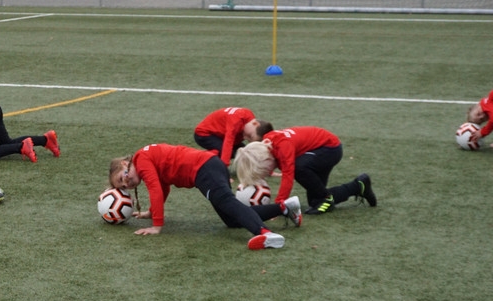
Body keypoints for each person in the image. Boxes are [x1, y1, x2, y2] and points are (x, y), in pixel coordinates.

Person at [108, 144, 302, 250]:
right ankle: (285, 208)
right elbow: (163, 188)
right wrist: (152, 212)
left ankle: (266, 234)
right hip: (209, 166)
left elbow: (155, 190)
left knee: (227, 203)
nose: (126, 184)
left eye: (122, 178)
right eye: (123, 187)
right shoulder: (144, 159)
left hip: (204, 169)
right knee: (231, 219)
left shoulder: (141, 160)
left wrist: (157, 226)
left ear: (125, 163)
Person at [235, 123, 377, 215]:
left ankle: (326, 197)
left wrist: (279, 206)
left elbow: (289, 176)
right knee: (315, 202)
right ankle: (359, 186)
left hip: (329, 148)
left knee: (299, 168)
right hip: (317, 150)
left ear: (267, 160)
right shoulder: (267, 145)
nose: (265, 174)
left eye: (264, 171)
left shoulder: (283, 147)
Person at [194, 107, 260, 165]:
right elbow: (228, 142)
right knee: (227, 152)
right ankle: (200, 159)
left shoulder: (248, 118)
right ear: (255, 124)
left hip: (219, 134)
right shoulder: (236, 122)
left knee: (244, 152)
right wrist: (224, 167)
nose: (246, 138)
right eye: (250, 136)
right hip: (203, 133)